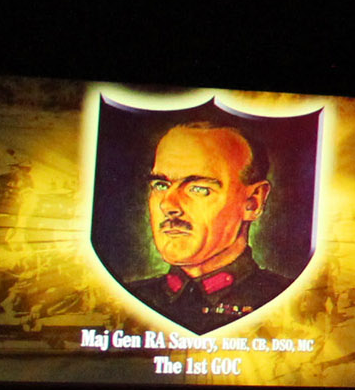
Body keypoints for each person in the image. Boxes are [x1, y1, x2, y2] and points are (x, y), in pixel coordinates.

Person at [124, 121, 291, 332]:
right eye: (161, 185)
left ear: (252, 202)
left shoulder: (290, 302)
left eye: (199, 189)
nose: (167, 205)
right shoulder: (126, 301)